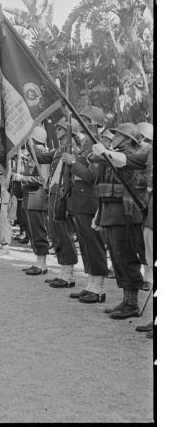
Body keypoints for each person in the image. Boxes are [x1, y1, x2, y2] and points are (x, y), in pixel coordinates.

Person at [90, 123, 147, 319]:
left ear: (128, 139)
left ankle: (132, 303)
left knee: (127, 257)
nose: (113, 137)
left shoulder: (130, 156)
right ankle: (126, 300)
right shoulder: (113, 155)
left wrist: (104, 153)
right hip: (112, 213)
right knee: (117, 258)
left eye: (118, 134)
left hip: (126, 215)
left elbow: (122, 162)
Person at [62, 107, 109, 303]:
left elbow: (92, 176)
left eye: (84, 121)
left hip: (90, 201)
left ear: (93, 123)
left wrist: (73, 163)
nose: (80, 124)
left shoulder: (96, 145)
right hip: (80, 201)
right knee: (86, 244)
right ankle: (90, 284)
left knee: (94, 244)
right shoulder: (86, 144)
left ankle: (98, 288)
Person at [36, 117, 80, 288]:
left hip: (63, 195)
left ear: (69, 131)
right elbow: (40, 157)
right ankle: (63, 271)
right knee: (55, 233)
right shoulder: (58, 150)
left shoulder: (73, 150)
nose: (56, 130)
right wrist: (28, 138)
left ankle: (68, 274)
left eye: (60, 128)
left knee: (63, 233)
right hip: (53, 193)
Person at [11, 126, 50, 275]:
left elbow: (43, 179)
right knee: (33, 232)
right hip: (30, 197)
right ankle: (38, 261)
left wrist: (23, 178)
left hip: (37, 198)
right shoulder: (33, 154)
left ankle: (42, 264)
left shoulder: (41, 155)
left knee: (38, 232)